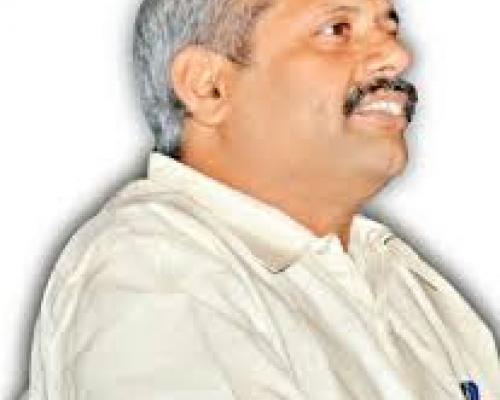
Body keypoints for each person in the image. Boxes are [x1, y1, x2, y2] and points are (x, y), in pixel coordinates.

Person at [21, 0, 499, 398]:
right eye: (337, 29)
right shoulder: (153, 270)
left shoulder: (404, 282)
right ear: (208, 86)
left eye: (389, 27)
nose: (397, 56)